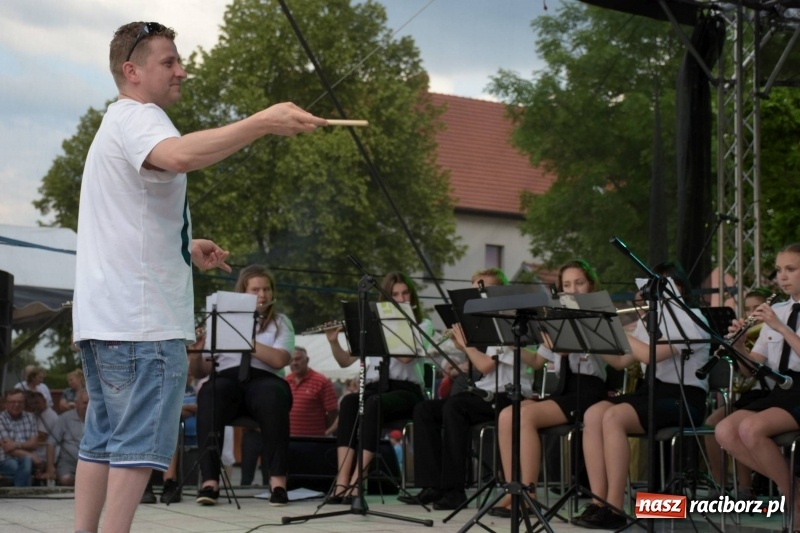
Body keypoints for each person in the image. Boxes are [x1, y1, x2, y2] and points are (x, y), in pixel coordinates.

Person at [71, 21, 324, 533]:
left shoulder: (115, 124)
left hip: (105, 320)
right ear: (132, 71)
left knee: (101, 440)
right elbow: (182, 154)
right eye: (169, 61)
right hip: (141, 323)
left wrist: (185, 245)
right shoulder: (143, 117)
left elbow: (124, 222)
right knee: (137, 448)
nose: (182, 70)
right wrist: (263, 121)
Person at [574, 261, 710, 529]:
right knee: (593, 413)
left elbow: (653, 354)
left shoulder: (692, 318)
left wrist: (613, 325)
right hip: (650, 393)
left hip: (683, 397)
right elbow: (621, 362)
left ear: (678, 287)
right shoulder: (650, 319)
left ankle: (615, 506)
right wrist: (593, 335)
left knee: (613, 416)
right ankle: (599, 502)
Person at [489, 260, 630, 517]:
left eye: (579, 283)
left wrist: (582, 341)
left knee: (525, 416)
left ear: (590, 285)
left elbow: (618, 362)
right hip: (563, 392)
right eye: (566, 285)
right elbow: (536, 361)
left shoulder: (601, 317)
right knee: (507, 415)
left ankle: (528, 493)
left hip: (587, 390)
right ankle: (513, 490)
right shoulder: (556, 318)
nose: (573, 289)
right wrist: (511, 341)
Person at [399, 268, 535, 510]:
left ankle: (454, 490)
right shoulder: (482, 324)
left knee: (455, 406)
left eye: (483, 289)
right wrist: (461, 347)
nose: (477, 295)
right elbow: (481, 367)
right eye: (473, 291)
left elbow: (485, 364)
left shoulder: (505, 322)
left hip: (509, 396)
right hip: (485, 394)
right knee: (424, 410)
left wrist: (465, 346)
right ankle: (433, 484)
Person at [191, 265, 294, 505]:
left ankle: (278, 483)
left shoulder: (280, 322)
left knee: (273, 394)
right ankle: (210, 482)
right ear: (243, 292)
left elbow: (280, 359)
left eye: (267, 289)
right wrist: (196, 354)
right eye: (256, 289)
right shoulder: (220, 321)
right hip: (227, 380)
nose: (263, 294)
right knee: (210, 392)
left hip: (265, 380)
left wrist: (244, 339)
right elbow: (200, 371)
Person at [325, 272, 429, 504]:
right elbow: (345, 361)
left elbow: (404, 359)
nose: (400, 298)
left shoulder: (423, 324)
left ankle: (357, 481)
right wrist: (333, 341)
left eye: (405, 293)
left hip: (406, 391)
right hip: (374, 387)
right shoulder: (372, 324)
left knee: (372, 403)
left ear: (412, 297)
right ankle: (342, 481)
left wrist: (391, 327)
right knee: (350, 402)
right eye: (394, 295)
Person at [715, 243, 800, 524]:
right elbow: (750, 371)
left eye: (791, 269)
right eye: (779, 270)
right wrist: (738, 344)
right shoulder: (777, 310)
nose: (782, 277)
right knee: (725, 430)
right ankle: (792, 490)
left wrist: (782, 328)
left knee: (750, 429)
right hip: (781, 389)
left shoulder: (777, 318)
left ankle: (791, 498)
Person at [702, 288, 771, 499]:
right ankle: (719, 483)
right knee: (711, 423)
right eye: (748, 309)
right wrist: (739, 348)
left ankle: (745, 487)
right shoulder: (751, 336)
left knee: (737, 426)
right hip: (753, 395)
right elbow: (745, 373)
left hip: (770, 393)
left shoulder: (773, 330)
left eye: (756, 309)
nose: (751, 313)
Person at [285, 346, 339, 436]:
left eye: (298, 359)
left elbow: (332, 411)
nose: (294, 363)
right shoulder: (286, 381)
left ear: (307, 360)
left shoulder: (322, 381)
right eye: (291, 360)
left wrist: (326, 432)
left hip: (314, 440)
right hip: (289, 439)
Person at [46, 389, 89, 487]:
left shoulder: (97, 419)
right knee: (65, 479)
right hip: (68, 460)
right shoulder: (64, 418)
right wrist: (50, 466)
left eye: (91, 403)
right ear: (76, 403)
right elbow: (51, 442)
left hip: (90, 460)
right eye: (85, 403)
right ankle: (83, 487)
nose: (88, 406)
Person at [0, 390, 41, 487]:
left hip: (24, 459)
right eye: (12, 402)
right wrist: (30, 455)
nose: (16, 404)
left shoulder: (30, 417)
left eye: (20, 402)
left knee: (25, 464)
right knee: (22, 466)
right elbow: (7, 449)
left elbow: (34, 443)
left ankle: (19, 494)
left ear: (24, 403)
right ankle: (25, 495)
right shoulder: (1, 418)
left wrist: (15, 444)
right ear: (6, 403)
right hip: (4, 459)